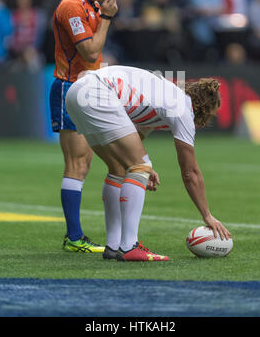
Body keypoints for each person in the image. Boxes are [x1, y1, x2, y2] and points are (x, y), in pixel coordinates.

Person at [65, 65, 231, 262]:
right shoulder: (183, 108)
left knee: (119, 169)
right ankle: (129, 246)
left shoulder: (161, 98)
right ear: (203, 111)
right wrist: (207, 215)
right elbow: (190, 173)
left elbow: (132, 144)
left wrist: (141, 166)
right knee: (139, 168)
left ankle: (113, 246)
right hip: (99, 91)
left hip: (77, 92)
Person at [49, 0, 121, 253]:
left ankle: (98, 236)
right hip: (70, 89)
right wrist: (106, 19)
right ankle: (74, 237)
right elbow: (89, 52)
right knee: (77, 163)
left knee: (89, 162)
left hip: (90, 89)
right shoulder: (72, 7)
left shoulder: (91, 4)